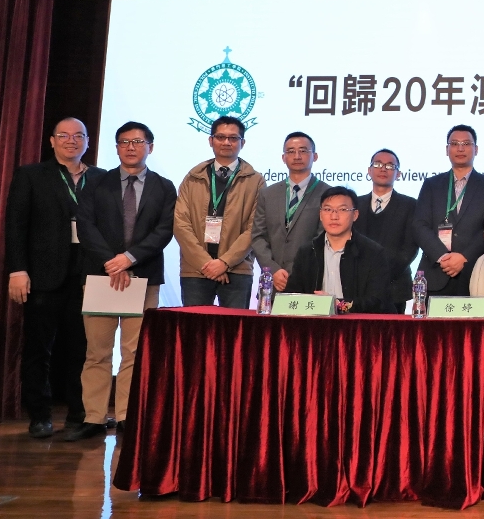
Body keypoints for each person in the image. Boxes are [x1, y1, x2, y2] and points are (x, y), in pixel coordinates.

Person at [68, 121, 176, 440]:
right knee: (97, 351)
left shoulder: (164, 186)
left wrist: (129, 259)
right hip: (100, 275)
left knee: (135, 352)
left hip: (143, 277)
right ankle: (94, 417)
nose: (131, 147)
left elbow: (164, 230)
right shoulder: (96, 183)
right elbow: (85, 225)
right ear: (116, 148)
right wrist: (111, 262)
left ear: (150, 147)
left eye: (138, 142)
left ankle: (129, 415)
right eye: (124, 142)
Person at [5, 117, 106, 438]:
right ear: (52, 141)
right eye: (64, 135)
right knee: (39, 349)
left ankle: (80, 413)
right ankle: (40, 415)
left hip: (88, 276)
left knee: (83, 349)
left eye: (78, 136)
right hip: (42, 276)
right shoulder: (31, 175)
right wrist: (18, 270)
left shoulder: (101, 178)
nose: (71, 140)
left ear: (87, 141)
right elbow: (16, 226)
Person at [173, 115, 265, 308]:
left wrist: (224, 262)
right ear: (211, 140)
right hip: (196, 270)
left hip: (237, 269)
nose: (226, 142)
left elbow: (255, 227)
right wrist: (206, 263)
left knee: (235, 327)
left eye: (233, 138)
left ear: (242, 143)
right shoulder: (193, 177)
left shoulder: (255, 181)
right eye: (220, 137)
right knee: (193, 326)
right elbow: (180, 224)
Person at [413, 125, 484, 296]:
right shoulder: (431, 185)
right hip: (435, 272)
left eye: (466, 144)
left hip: (475, 272)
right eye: (454, 144)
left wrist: (464, 257)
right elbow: (419, 225)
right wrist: (442, 256)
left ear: (476, 149)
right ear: (447, 150)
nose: (460, 148)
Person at [284, 186, 394, 314]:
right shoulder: (307, 252)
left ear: (355, 215)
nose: (334, 216)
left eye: (342, 209)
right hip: (314, 322)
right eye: (328, 209)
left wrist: (337, 304)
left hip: (356, 323)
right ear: (320, 215)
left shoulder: (373, 253)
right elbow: (291, 296)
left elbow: (378, 301)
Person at [251, 131, 327, 293]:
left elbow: (323, 238)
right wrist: (273, 270)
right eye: (291, 151)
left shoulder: (327, 194)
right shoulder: (268, 194)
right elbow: (258, 236)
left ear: (315, 156)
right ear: (283, 158)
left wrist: (295, 273)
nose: (297, 156)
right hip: (273, 283)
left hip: (308, 283)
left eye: (303, 151)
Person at [354, 148, 420, 313]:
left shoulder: (410, 205)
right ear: (369, 170)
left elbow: (410, 248)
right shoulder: (355, 204)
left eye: (390, 166)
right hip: (358, 287)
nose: (383, 169)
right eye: (378, 164)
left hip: (395, 287)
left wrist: (380, 275)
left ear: (398, 174)